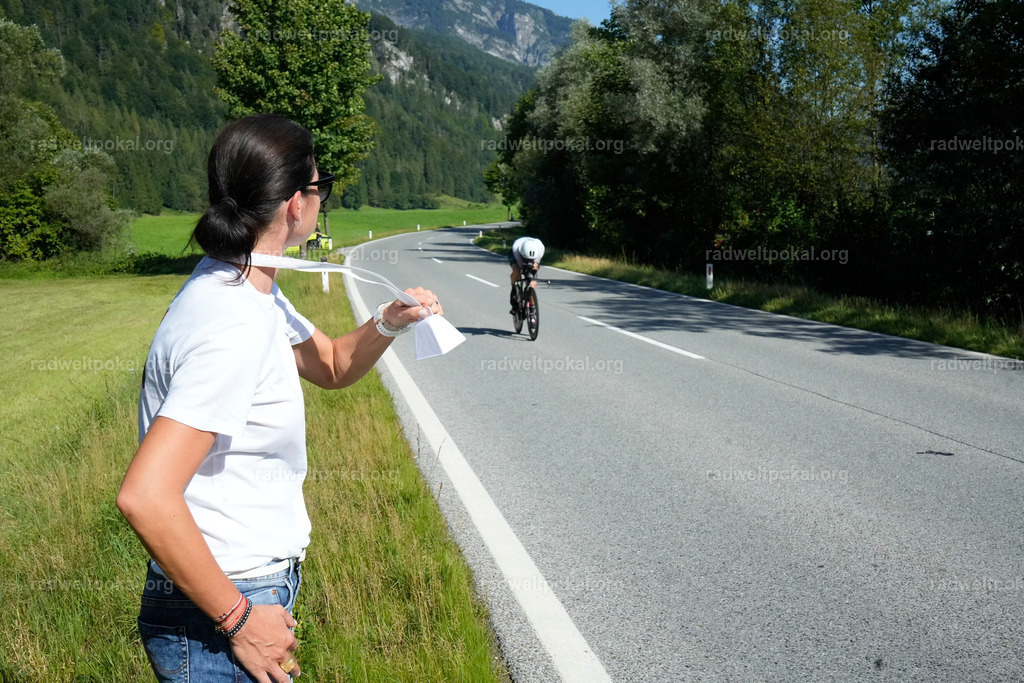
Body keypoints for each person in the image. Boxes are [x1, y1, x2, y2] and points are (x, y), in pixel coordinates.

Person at [116, 114, 443, 683]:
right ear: (297, 204)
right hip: (224, 602)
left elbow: (334, 365)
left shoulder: (243, 284)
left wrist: (390, 322)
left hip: (231, 591)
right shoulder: (234, 320)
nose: (320, 201)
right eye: (320, 188)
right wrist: (241, 621)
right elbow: (144, 495)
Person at [508, 236, 544, 314]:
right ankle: (514, 287)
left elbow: (536, 265)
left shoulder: (540, 249)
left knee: (533, 281)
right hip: (516, 256)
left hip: (534, 253)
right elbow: (523, 267)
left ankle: (532, 306)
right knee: (517, 271)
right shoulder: (516, 249)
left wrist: (535, 267)